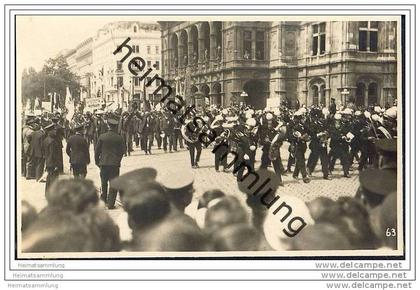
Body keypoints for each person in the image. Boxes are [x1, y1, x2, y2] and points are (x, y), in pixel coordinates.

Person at [95, 117, 126, 209]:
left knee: (103, 183)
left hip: (103, 163)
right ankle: (111, 204)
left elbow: (97, 151)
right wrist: (118, 160)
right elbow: (123, 151)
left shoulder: (102, 136)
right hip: (114, 164)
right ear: (116, 127)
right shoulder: (119, 138)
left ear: (108, 125)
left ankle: (103, 201)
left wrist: (98, 162)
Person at [43, 123, 62, 194]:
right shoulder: (52, 141)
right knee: (54, 180)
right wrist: (56, 165)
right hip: (53, 163)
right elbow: (53, 154)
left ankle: (47, 193)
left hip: (48, 162)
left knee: (49, 179)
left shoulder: (46, 140)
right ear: (49, 131)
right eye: (53, 130)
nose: (55, 131)